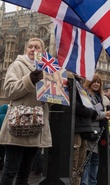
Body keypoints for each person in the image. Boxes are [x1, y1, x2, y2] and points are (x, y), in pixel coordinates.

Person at [0, 37, 52, 185]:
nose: (33, 49)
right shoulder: (17, 65)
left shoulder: (47, 70)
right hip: (18, 126)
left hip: (36, 126)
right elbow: (9, 91)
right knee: (10, 170)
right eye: (30, 47)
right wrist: (29, 79)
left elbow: (51, 100)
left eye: (37, 47)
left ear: (43, 52)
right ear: (25, 49)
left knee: (25, 172)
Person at [81, 74, 110, 185]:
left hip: (97, 131)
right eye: (94, 81)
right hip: (89, 130)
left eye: (98, 82)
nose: (96, 84)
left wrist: (105, 114)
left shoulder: (97, 96)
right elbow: (92, 113)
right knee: (87, 161)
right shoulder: (86, 94)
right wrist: (105, 114)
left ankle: (93, 183)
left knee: (95, 160)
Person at [72, 75, 99, 185]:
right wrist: (89, 111)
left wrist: (91, 111)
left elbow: (92, 108)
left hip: (85, 128)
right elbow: (74, 104)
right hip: (77, 128)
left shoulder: (80, 86)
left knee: (80, 166)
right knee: (74, 164)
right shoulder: (70, 82)